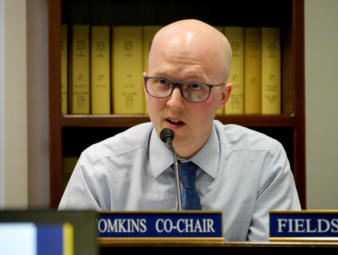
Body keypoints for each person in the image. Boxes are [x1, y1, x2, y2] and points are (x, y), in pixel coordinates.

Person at [58, 19, 301, 241]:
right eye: (162, 82)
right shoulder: (98, 167)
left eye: (194, 86)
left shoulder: (264, 162)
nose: (174, 103)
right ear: (145, 85)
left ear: (223, 97)